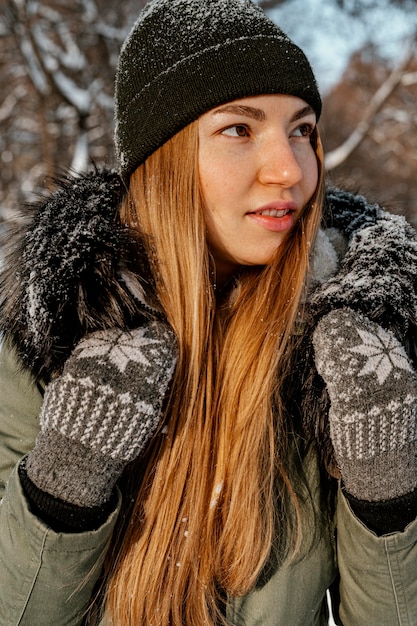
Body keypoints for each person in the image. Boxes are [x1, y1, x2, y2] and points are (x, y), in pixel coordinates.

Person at [1, 0, 417, 624]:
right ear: (161, 159)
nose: (290, 169)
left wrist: (387, 493)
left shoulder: (354, 356)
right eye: (238, 129)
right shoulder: (46, 339)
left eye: (302, 130)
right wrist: (64, 485)